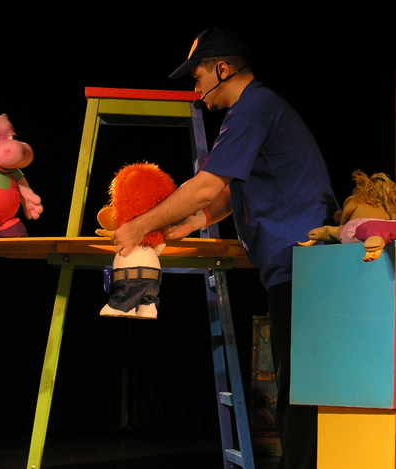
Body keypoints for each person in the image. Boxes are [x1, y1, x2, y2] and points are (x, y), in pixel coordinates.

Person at [111, 28, 339, 469]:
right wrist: (191, 223)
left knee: (302, 394)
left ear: (222, 68)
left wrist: (138, 226)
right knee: (300, 389)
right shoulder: (256, 108)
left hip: (303, 265)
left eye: (197, 75)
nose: (195, 86)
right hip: (296, 265)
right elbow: (230, 190)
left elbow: (206, 185)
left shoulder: (252, 108)